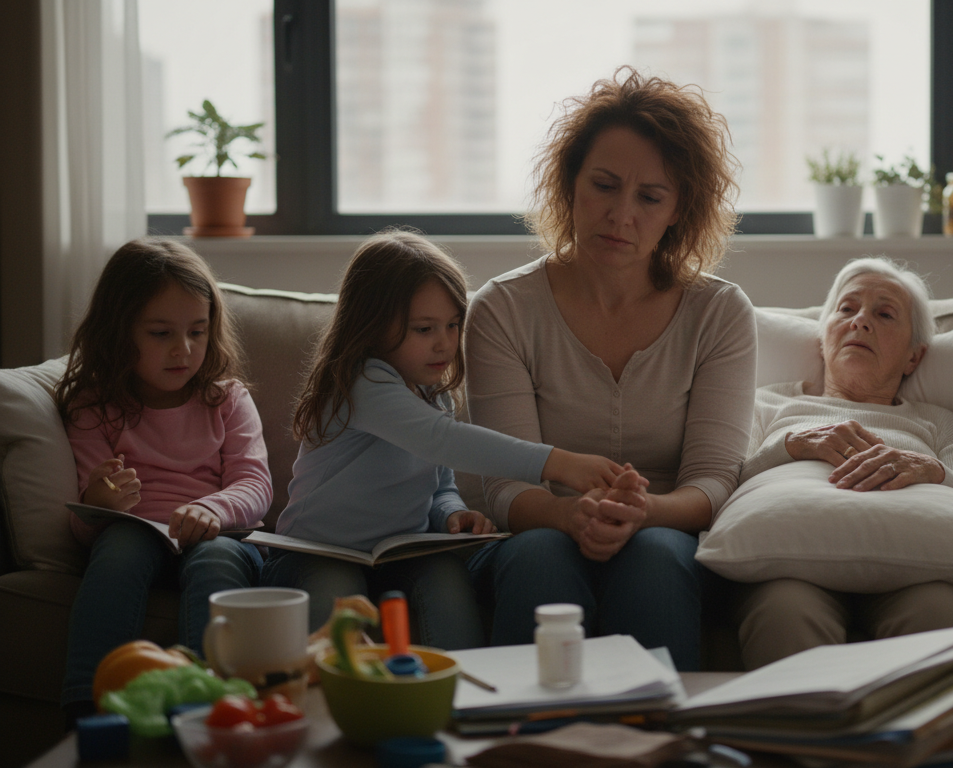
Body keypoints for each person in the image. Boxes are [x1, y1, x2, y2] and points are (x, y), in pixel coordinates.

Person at [464, 67, 756, 671]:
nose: (621, 214)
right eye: (604, 185)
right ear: (570, 185)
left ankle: (653, 745)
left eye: (650, 197)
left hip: (665, 530)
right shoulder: (501, 309)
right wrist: (572, 514)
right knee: (542, 554)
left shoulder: (720, 313)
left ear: (679, 210)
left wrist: (644, 511)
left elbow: (713, 482)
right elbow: (503, 483)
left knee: (653, 556)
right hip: (541, 530)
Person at [263, 230, 621, 649]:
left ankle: (464, 702)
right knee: (336, 588)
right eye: (424, 328)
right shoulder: (363, 382)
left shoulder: (433, 394)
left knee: (446, 577)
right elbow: (440, 441)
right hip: (314, 553)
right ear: (371, 327)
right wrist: (557, 462)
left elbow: (440, 482)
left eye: (453, 325)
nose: (445, 342)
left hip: (399, 555)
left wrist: (451, 512)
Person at [732, 257, 953, 669]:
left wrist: (931, 470)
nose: (860, 322)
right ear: (822, 340)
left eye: (884, 313)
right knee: (785, 613)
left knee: (940, 614)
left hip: (918, 569)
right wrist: (793, 446)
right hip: (792, 565)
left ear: (913, 358)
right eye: (847, 309)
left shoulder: (938, 421)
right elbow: (722, 484)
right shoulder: (764, 403)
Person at [56, 239, 271, 720]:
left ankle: (212, 708)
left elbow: (255, 486)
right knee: (118, 549)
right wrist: (100, 501)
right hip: (137, 535)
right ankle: (88, 708)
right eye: (160, 334)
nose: (184, 350)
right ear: (119, 331)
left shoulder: (227, 399)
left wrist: (211, 509)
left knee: (217, 560)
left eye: (198, 331)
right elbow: (83, 527)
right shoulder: (95, 406)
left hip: (219, 536)